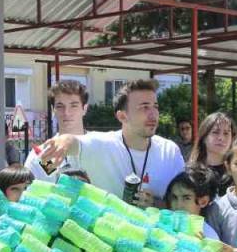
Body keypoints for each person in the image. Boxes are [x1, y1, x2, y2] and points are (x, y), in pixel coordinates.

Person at [37, 79, 185, 205]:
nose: (153, 114)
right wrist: (62, 143)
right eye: (144, 107)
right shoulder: (103, 144)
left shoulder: (170, 151)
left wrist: (157, 204)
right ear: (122, 116)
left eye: (155, 107)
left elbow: (186, 201)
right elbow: (71, 143)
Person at [25, 81, 88, 181]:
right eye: (60, 106)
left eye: (74, 105)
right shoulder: (39, 155)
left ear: (84, 109)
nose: (66, 112)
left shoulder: (103, 148)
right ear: (53, 110)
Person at [189, 112, 237, 197]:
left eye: (226, 133)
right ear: (204, 137)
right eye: (215, 132)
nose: (221, 138)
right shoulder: (190, 173)